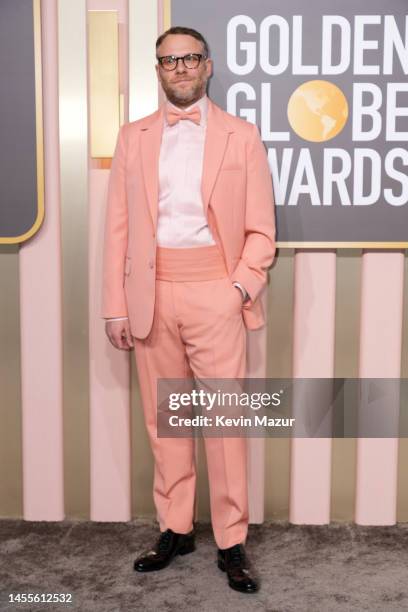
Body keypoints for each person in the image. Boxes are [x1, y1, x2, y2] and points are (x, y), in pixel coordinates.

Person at [101, 25, 276, 594]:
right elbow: (118, 231)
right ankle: (176, 527)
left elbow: (260, 230)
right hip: (151, 293)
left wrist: (237, 291)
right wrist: (115, 307)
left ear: (207, 65)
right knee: (166, 423)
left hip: (214, 291)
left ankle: (231, 539)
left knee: (223, 422)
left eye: (189, 58)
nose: (178, 67)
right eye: (167, 60)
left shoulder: (241, 135)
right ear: (158, 70)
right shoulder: (134, 136)